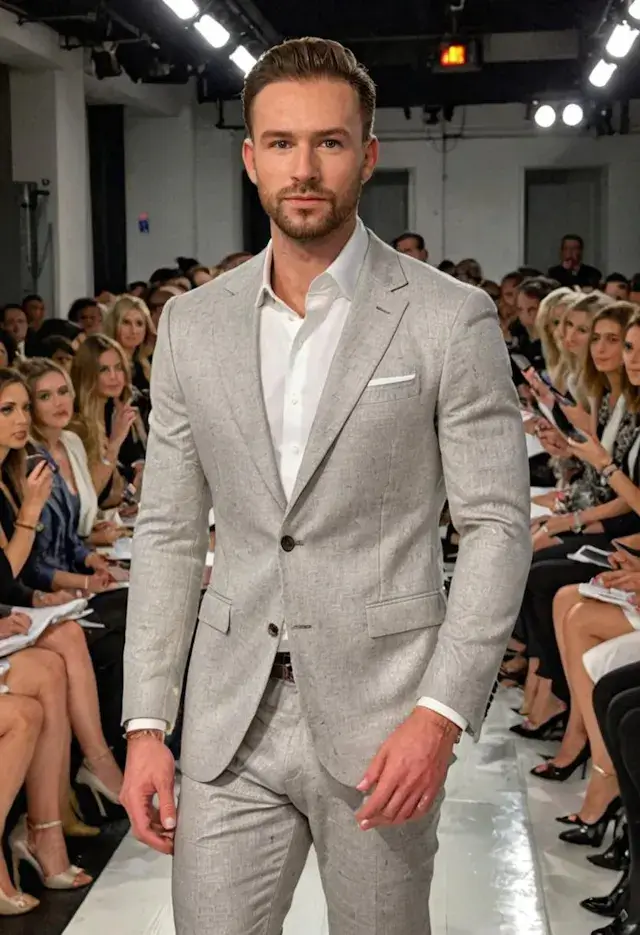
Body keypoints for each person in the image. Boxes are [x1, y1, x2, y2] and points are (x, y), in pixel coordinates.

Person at [120, 37, 531, 935]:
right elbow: (168, 531)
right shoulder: (192, 325)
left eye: (329, 143)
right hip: (229, 721)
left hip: (386, 717)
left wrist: (441, 713)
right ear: (249, 157)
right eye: (280, 143)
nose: (303, 169)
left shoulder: (445, 318)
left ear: (369, 153)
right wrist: (146, 720)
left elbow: (498, 524)